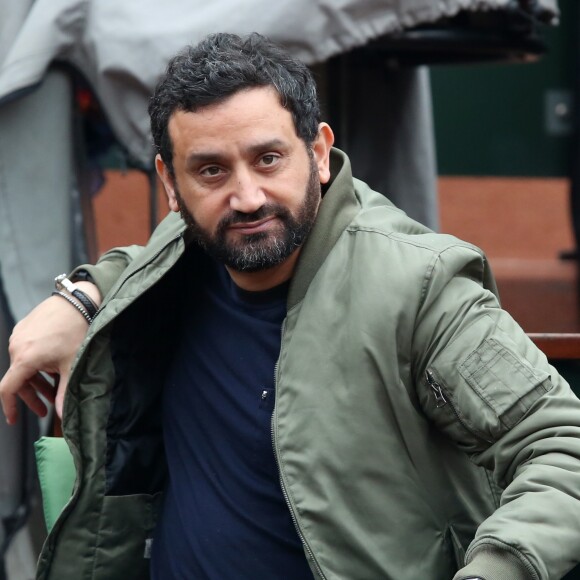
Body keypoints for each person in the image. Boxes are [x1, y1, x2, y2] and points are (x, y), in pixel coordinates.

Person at [1, 32, 580, 580]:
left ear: (320, 153)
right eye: (211, 170)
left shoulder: (420, 286)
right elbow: (143, 258)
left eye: (269, 159)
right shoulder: (181, 261)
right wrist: (79, 296)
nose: (248, 197)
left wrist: (496, 570)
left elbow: (561, 447)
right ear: (170, 184)